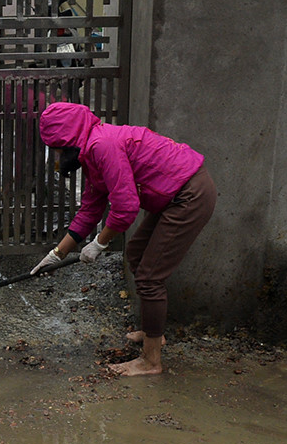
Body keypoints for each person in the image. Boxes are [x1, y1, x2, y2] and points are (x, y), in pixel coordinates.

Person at [31, 101, 217, 377]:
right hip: (173, 196)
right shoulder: (92, 150)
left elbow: (126, 207)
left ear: (65, 139)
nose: (57, 155)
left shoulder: (102, 145)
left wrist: (99, 243)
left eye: (56, 147)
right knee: (137, 255)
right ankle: (154, 332)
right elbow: (90, 209)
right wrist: (57, 253)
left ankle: (151, 361)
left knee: (149, 277)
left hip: (188, 195)